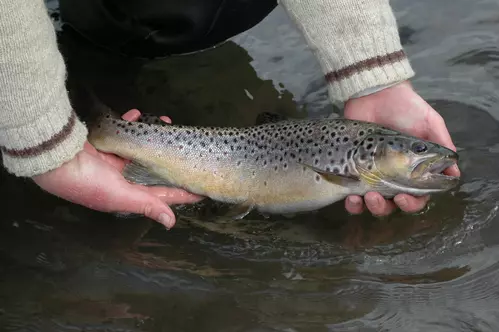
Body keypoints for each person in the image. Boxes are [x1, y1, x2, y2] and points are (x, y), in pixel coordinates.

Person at [0, 0, 459, 229]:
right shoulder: (357, 168)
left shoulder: (362, 168)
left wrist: (376, 77)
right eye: (417, 151)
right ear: (371, 153)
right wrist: (43, 143)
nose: (427, 157)